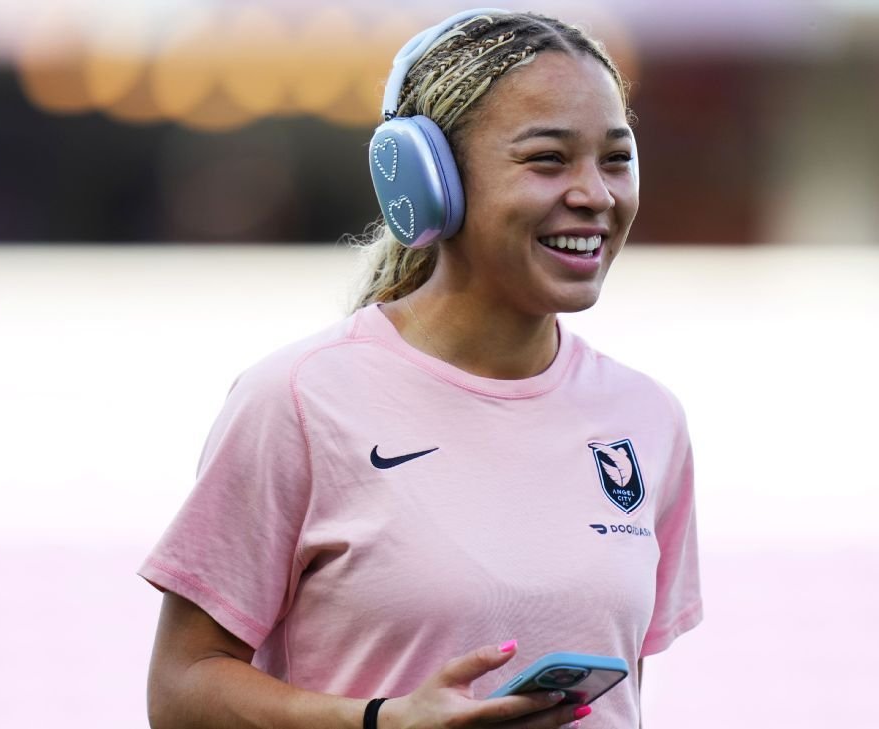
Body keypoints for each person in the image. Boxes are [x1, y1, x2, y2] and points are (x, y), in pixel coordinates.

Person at [140, 9, 701, 729]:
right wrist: (383, 719)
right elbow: (180, 690)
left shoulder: (647, 417)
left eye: (616, 159)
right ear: (432, 180)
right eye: (547, 159)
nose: (595, 194)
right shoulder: (298, 399)